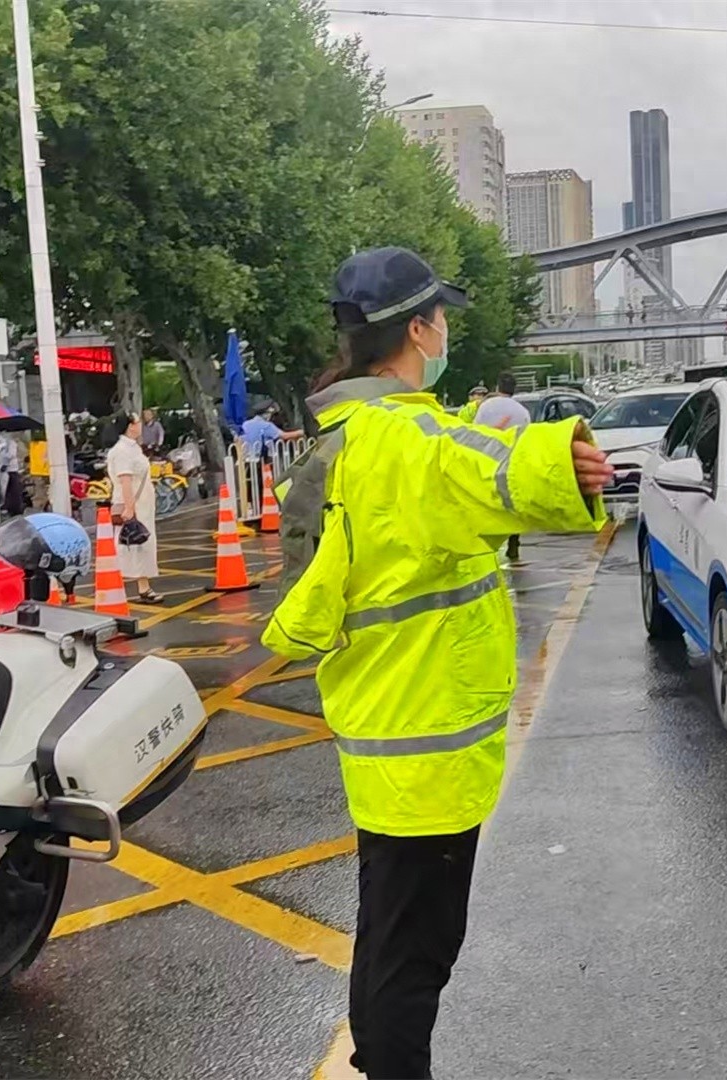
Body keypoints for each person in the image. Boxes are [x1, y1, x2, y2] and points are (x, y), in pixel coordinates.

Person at [263, 245, 611, 1080]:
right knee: (415, 949)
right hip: (426, 743)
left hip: (384, 726)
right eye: (442, 318)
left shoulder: (345, 435)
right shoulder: (403, 434)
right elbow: (496, 474)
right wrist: (565, 461)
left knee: (391, 927)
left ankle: (380, 1057)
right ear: (417, 331)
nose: (447, 330)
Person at [475, 372, 533, 564]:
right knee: (512, 503)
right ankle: (514, 543)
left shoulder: (485, 407)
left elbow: (475, 431)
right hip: (512, 462)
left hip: (487, 459)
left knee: (485, 502)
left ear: (498, 387)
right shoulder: (522, 411)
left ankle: (486, 545)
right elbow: (526, 438)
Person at [105, 412, 162, 604]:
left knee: (139, 544)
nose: (140, 425)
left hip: (142, 505)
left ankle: (143, 586)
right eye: (137, 422)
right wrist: (129, 507)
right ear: (130, 426)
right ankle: (131, 587)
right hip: (133, 505)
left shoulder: (132, 448)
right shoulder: (122, 451)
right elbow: (125, 480)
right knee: (132, 545)